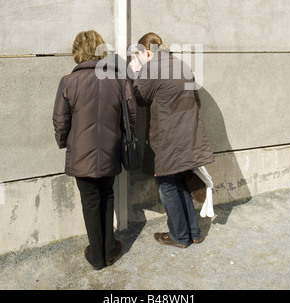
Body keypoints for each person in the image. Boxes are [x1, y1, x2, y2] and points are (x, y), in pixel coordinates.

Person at [53, 30, 137, 270]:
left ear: (78, 51)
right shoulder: (119, 79)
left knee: (90, 201)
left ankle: (97, 257)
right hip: (110, 149)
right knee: (107, 195)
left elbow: (60, 119)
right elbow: (131, 114)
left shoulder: (69, 81)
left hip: (81, 153)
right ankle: (109, 250)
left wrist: (63, 142)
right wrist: (124, 136)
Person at [131, 32, 214, 248]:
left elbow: (138, 98)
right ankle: (193, 232)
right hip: (188, 135)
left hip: (168, 138)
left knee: (167, 184)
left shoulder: (152, 68)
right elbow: (197, 101)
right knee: (179, 182)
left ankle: (179, 236)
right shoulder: (181, 65)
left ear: (146, 52)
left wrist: (137, 72)